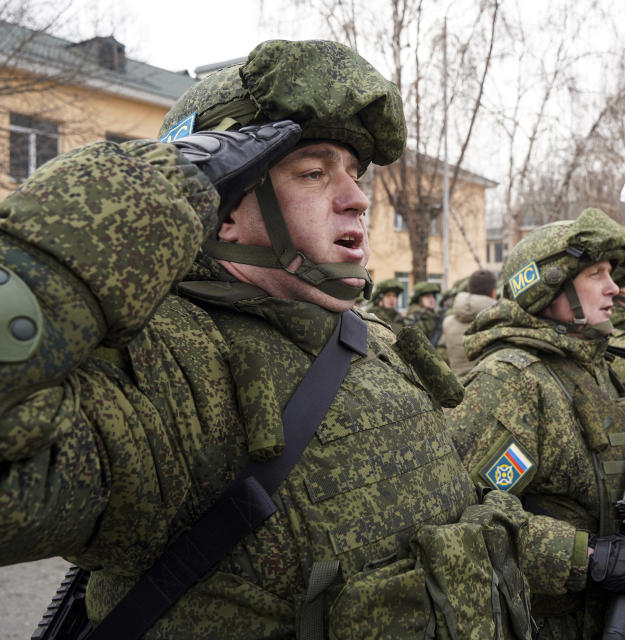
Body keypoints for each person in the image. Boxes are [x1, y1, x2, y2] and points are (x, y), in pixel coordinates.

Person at [0, 39, 538, 639]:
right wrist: (158, 188)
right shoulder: (166, 365)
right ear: (223, 210)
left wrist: (575, 558)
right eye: (313, 173)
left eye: (355, 176)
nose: (357, 200)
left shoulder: (371, 335)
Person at [447, 208, 625, 639]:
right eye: (596, 274)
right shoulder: (512, 383)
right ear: (548, 287)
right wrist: (584, 557)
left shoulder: (594, 365)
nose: (613, 287)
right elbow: (462, 519)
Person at [443, 268, 498, 377]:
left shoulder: (447, 323)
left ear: (469, 290)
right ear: (493, 292)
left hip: (458, 387)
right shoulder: (498, 319)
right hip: (488, 387)